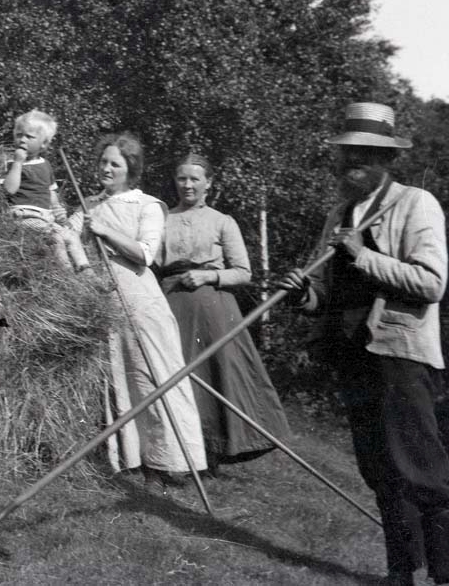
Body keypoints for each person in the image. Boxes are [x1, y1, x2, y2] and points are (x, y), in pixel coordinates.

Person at [275, 103, 449, 586]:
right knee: (379, 472)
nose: (352, 161)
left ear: (385, 159)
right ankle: (400, 573)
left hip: (400, 355)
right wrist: (303, 292)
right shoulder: (338, 213)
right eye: (347, 152)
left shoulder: (417, 204)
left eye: (364, 153)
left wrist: (363, 254)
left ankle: (444, 573)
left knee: (421, 471)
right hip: (353, 354)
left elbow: (432, 284)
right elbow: (323, 293)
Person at [68, 133, 207, 483]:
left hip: (140, 301)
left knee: (154, 378)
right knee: (119, 379)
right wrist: (63, 223)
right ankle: (132, 460)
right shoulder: (89, 206)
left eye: (115, 163)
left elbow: (145, 253)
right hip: (103, 299)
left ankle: (172, 463)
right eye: (103, 162)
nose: (106, 168)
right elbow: (68, 241)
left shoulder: (148, 206)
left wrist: (106, 232)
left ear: (131, 169)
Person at [156, 153, 290, 468]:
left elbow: (243, 272)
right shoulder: (161, 216)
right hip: (171, 303)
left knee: (214, 377)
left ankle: (213, 453)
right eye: (182, 178)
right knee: (173, 375)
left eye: (195, 179)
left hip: (214, 309)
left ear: (208, 184)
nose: (187, 185)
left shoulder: (221, 221)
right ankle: (175, 453)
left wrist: (208, 275)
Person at [2, 109, 90, 272]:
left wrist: (58, 209)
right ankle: (67, 273)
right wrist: (18, 163)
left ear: (43, 144)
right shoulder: (10, 164)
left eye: (29, 137)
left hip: (45, 217)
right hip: (23, 215)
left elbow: (51, 193)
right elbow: (9, 189)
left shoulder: (46, 165)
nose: (22, 140)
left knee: (71, 235)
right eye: (19, 134)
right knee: (55, 236)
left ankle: (86, 272)